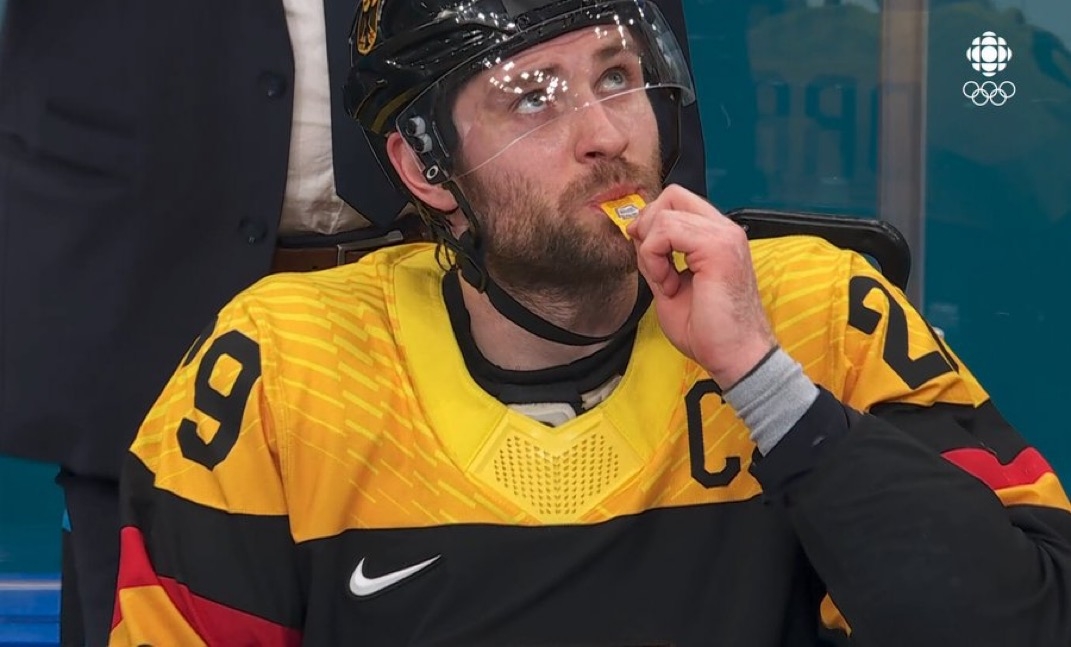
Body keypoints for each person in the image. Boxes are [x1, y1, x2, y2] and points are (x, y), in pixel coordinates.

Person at [110, 0, 1071, 645]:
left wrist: (760, 376)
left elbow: (1027, 619)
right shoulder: (289, 360)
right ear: (422, 166)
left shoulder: (814, 306)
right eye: (532, 99)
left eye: (615, 76)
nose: (606, 135)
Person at [0, 1, 705, 644]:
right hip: (139, 288)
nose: (604, 129)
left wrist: (645, 232)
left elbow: (605, 47)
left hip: (478, 276)